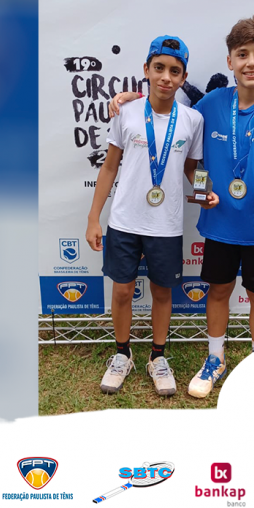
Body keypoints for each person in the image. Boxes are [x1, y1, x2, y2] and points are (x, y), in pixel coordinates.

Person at [110, 16, 254, 399]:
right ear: (230, 61)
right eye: (242, 54)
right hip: (219, 225)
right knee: (217, 292)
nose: (251, 62)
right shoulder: (211, 104)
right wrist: (129, 97)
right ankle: (215, 359)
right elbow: (166, 105)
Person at [85, 35, 218, 396]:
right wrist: (94, 217)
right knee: (123, 291)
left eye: (174, 71)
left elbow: (191, 167)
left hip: (166, 224)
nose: (165, 77)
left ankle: (157, 356)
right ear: (146, 70)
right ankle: (122, 354)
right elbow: (109, 167)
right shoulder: (126, 112)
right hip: (124, 220)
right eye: (159, 68)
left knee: (162, 292)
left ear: (183, 77)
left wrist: (205, 191)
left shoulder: (192, 119)